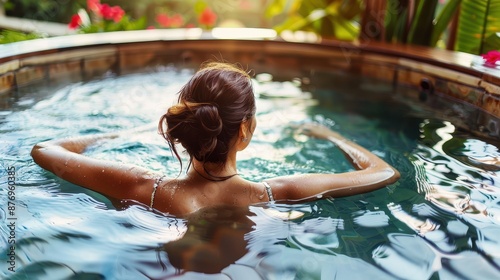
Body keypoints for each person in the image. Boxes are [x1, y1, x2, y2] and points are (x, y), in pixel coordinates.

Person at [31, 62, 400, 216]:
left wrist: (116, 134)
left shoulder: (143, 187)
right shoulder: (279, 193)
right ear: (245, 130)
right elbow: (383, 172)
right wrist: (330, 134)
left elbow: (45, 149)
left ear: (183, 125)